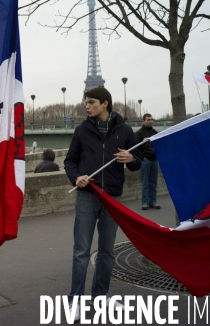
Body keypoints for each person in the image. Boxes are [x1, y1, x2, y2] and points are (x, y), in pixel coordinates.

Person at [64, 86, 141, 320]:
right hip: (87, 196)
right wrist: (76, 177)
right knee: (81, 252)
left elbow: (136, 164)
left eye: (91, 102)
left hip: (113, 198)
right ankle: (75, 300)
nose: (87, 106)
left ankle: (101, 297)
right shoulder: (81, 131)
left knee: (107, 252)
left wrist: (132, 158)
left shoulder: (125, 130)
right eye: (86, 102)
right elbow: (70, 161)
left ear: (105, 103)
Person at [134, 113, 160, 210]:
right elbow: (135, 147)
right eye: (148, 119)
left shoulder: (155, 133)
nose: (151, 121)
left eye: (152, 119)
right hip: (145, 161)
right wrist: (142, 157)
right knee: (145, 183)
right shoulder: (139, 134)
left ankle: (153, 201)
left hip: (154, 160)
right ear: (143, 121)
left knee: (153, 183)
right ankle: (145, 202)